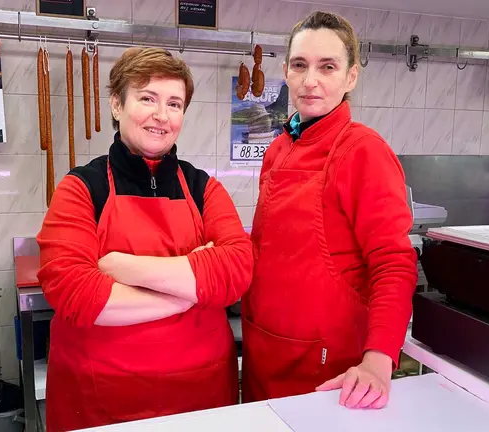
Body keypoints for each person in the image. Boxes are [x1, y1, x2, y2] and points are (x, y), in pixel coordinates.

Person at [36, 47, 253, 430]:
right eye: (147, 98)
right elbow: (75, 293)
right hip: (100, 400)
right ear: (116, 105)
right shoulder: (81, 188)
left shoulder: (204, 188)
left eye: (174, 103)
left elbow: (237, 270)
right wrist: (194, 287)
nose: (161, 116)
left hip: (200, 399)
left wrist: (123, 267)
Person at [241, 11, 418, 410]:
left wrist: (378, 360)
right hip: (263, 351)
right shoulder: (279, 148)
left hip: (323, 364)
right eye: (300, 65)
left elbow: (393, 261)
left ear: (350, 77)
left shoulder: (363, 151)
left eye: (327, 67)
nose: (310, 80)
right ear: (285, 71)